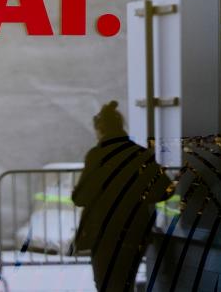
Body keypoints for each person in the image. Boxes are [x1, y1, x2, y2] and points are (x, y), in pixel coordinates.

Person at [72, 101, 174, 292]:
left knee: (106, 284)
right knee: (126, 281)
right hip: (135, 230)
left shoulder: (97, 155)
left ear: (100, 129)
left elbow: (81, 197)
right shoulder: (140, 154)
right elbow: (165, 189)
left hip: (103, 233)